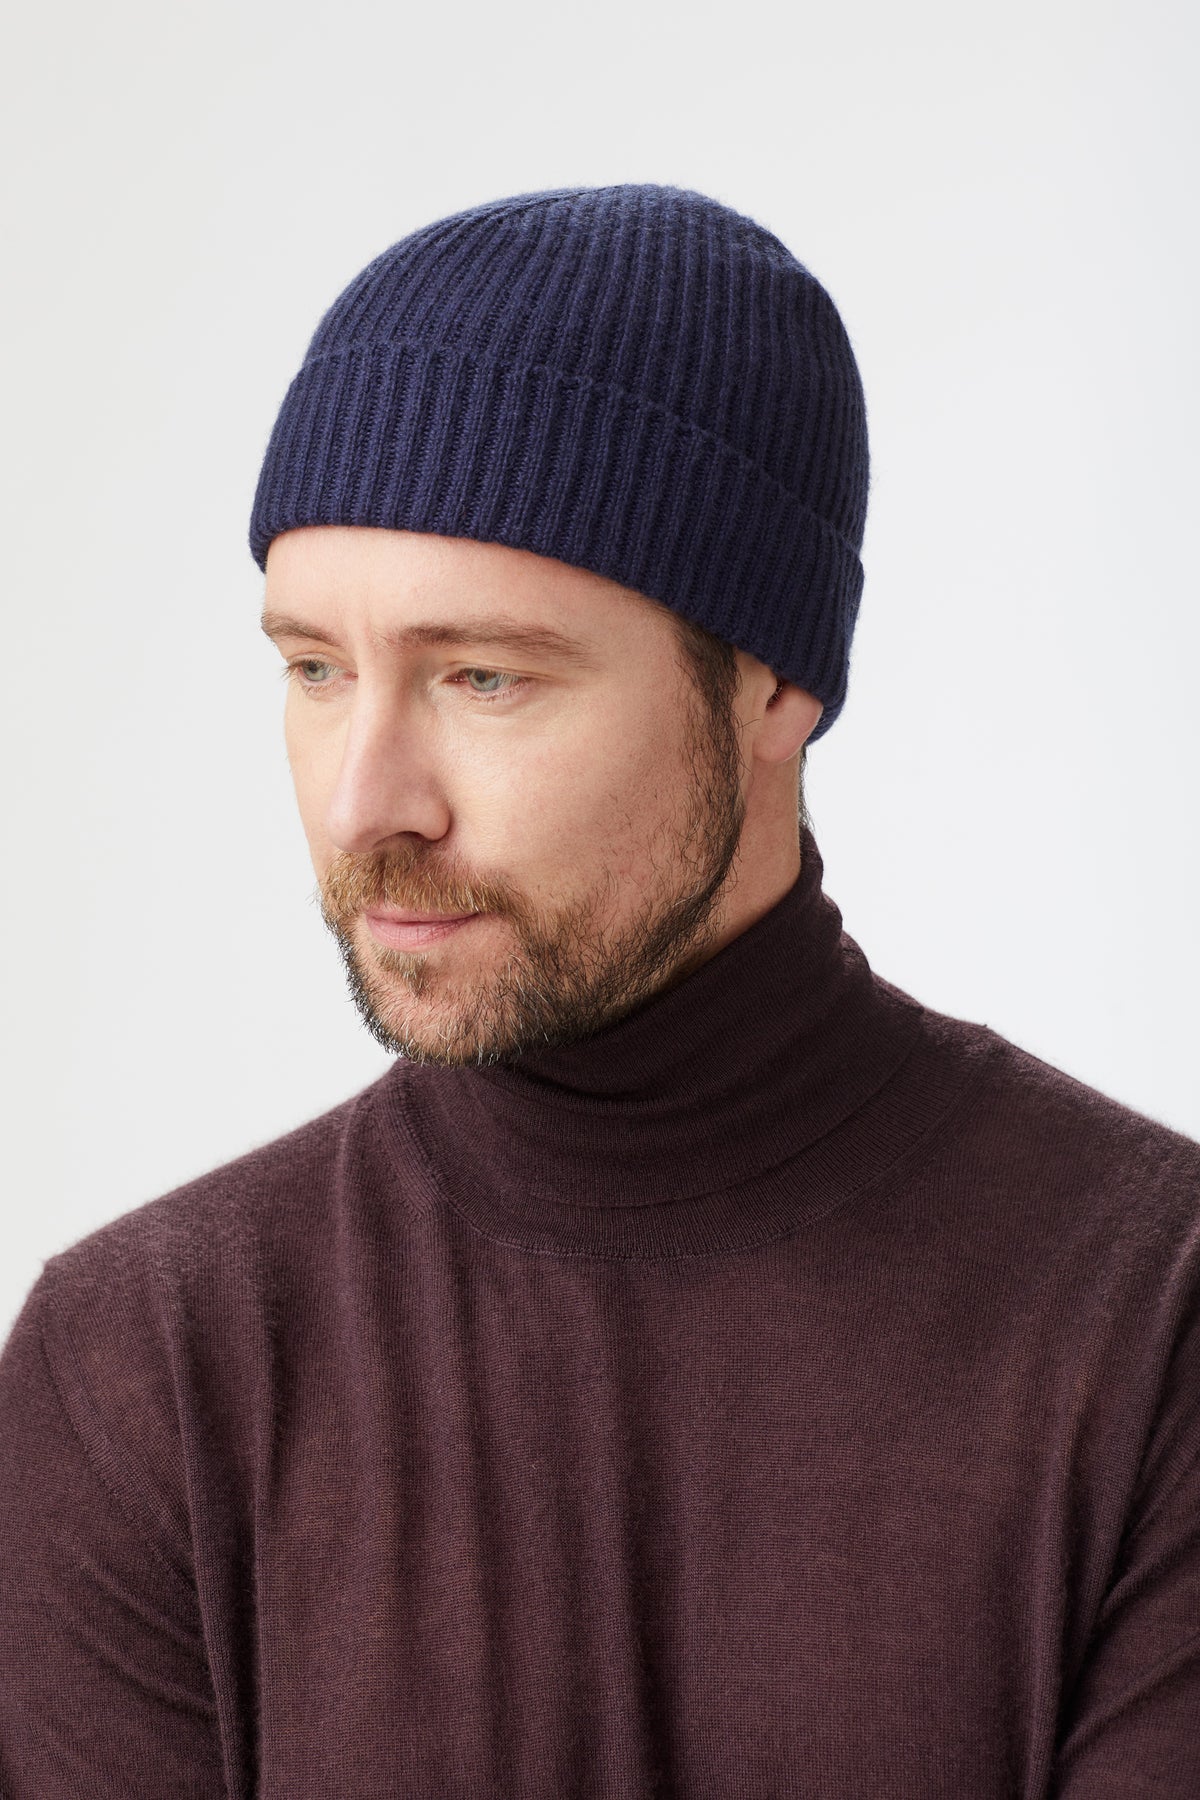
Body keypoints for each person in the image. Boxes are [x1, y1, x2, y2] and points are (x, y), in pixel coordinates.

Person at [1, 183, 1197, 1799]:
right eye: (315, 669)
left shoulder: (1152, 1325)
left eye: (483, 676)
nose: (365, 802)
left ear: (775, 684)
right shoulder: (145, 1370)